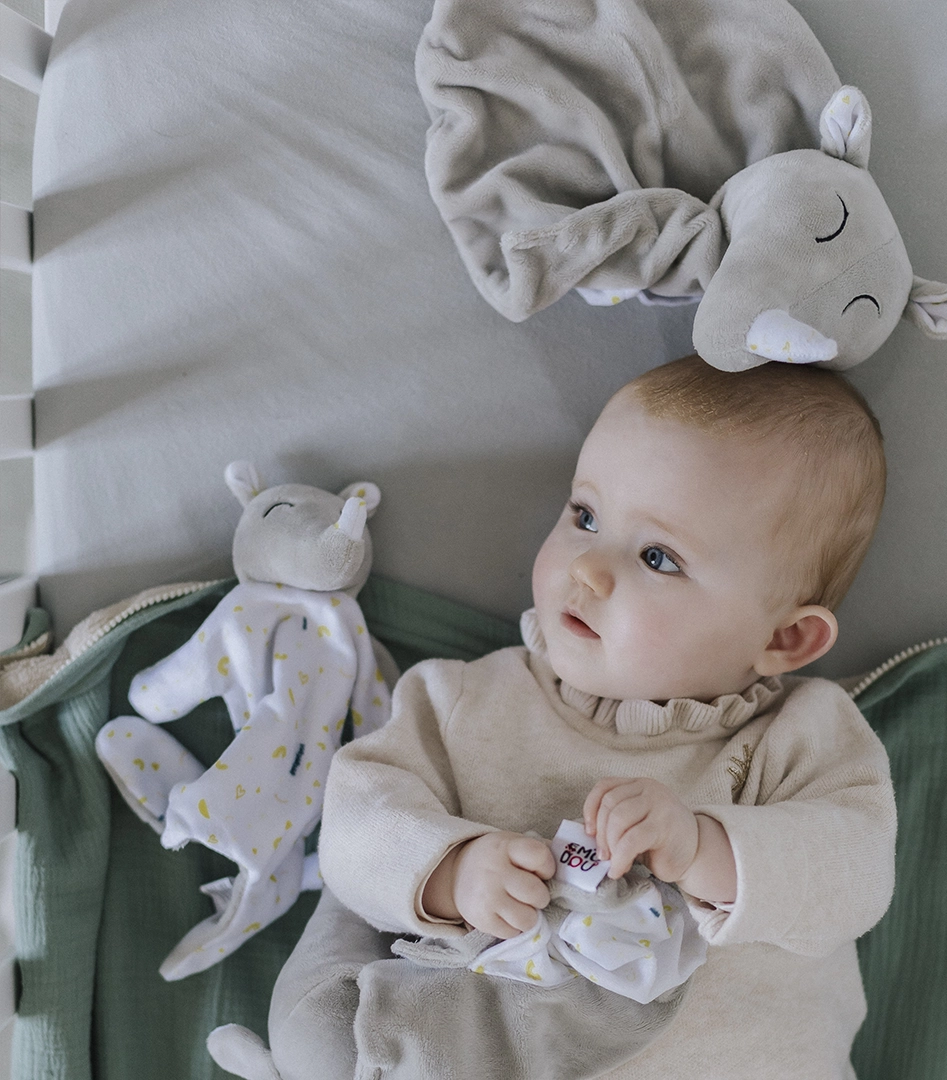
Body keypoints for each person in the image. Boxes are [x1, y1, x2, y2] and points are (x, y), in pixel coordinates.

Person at [266, 355, 897, 1080]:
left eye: (658, 557)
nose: (588, 568)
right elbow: (356, 822)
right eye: (585, 516)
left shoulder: (803, 735)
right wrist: (453, 872)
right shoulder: (465, 700)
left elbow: (856, 875)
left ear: (784, 638)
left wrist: (706, 848)